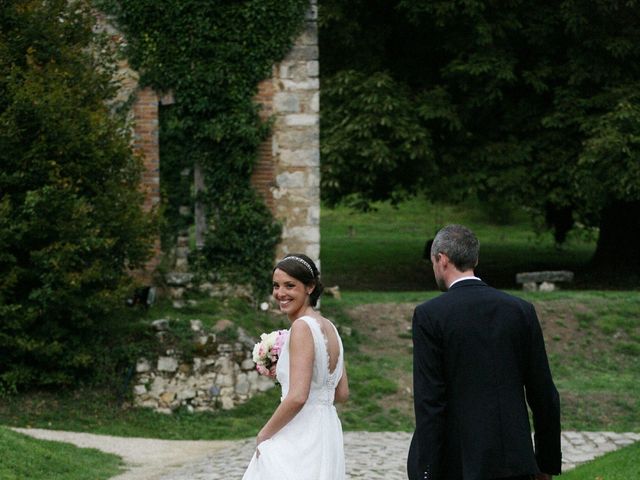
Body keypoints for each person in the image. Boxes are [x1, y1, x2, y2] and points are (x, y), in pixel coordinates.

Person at [407, 225, 561, 480]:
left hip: (458, 462)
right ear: (474, 259)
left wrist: (427, 471)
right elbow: (544, 394)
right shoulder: (520, 310)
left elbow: (430, 401)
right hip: (515, 458)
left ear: (442, 259)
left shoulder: (430, 316)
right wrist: (545, 462)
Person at [243, 254, 349, 480]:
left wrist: (264, 434)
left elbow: (298, 397)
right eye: (276, 286)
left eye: (290, 285)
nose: (280, 293)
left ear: (310, 287)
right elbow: (341, 393)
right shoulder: (331, 328)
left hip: (301, 433)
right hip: (327, 430)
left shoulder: (302, 328)